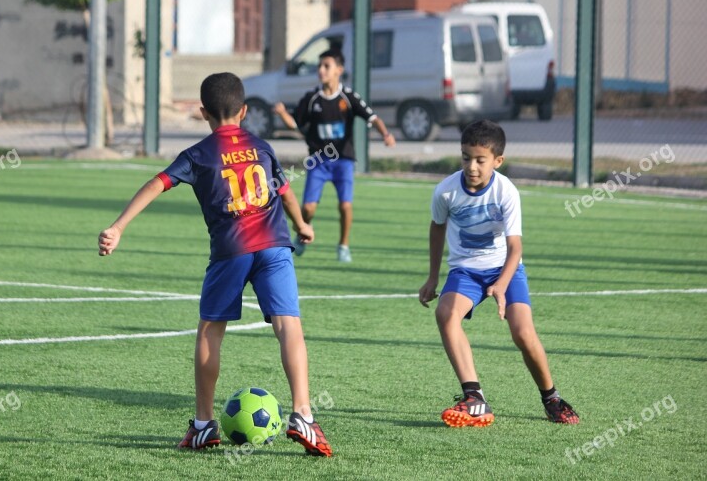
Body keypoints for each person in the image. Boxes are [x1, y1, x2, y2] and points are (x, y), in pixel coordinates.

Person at [98, 73, 333, 456]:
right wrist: (303, 225)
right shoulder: (261, 146)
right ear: (244, 111)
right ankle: (303, 415)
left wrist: (119, 226)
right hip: (275, 246)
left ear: (204, 112)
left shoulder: (199, 153)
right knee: (288, 325)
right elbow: (285, 192)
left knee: (211, 330)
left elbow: (156, 183)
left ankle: (205, 425)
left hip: (232, 250)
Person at [418, 120, 579, 427]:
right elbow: (437, 228)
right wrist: (432, 277)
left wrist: (502, 285)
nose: (472, 166)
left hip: (506, 268)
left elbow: (515, 248)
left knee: (522, 332)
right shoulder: (446, 191)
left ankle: (551, 398)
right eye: (466, 157)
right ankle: (474, 397)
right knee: (445, 314)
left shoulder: (507, 191)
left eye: (481, 160)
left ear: (498, 161)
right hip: (466, 269)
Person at [273, 48, 396, 263]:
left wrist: (385, 133)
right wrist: (284, 114)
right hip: (318, 161)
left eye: (326, 66)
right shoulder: (311, 98)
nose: (321, 70)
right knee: (308, 208)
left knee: (345, 205)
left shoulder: (348, 98)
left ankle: (343, 246)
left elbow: (372, 117)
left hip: (344, 160)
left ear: (339, 70)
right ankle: (303, 233)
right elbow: (295, 123)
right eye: (319, 66)